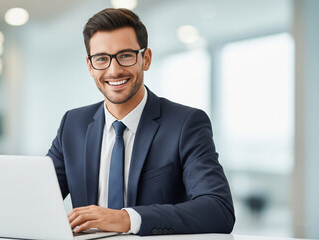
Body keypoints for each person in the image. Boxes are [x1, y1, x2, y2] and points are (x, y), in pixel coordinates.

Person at [47, 8, 235, 236]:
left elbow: (218, 210)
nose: (114, 70)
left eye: (125, 55)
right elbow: (35, 199)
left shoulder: (185, 124)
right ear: (90, 66)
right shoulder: (72, 124)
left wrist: (127, 219)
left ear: (145, 59)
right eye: (101, 59)